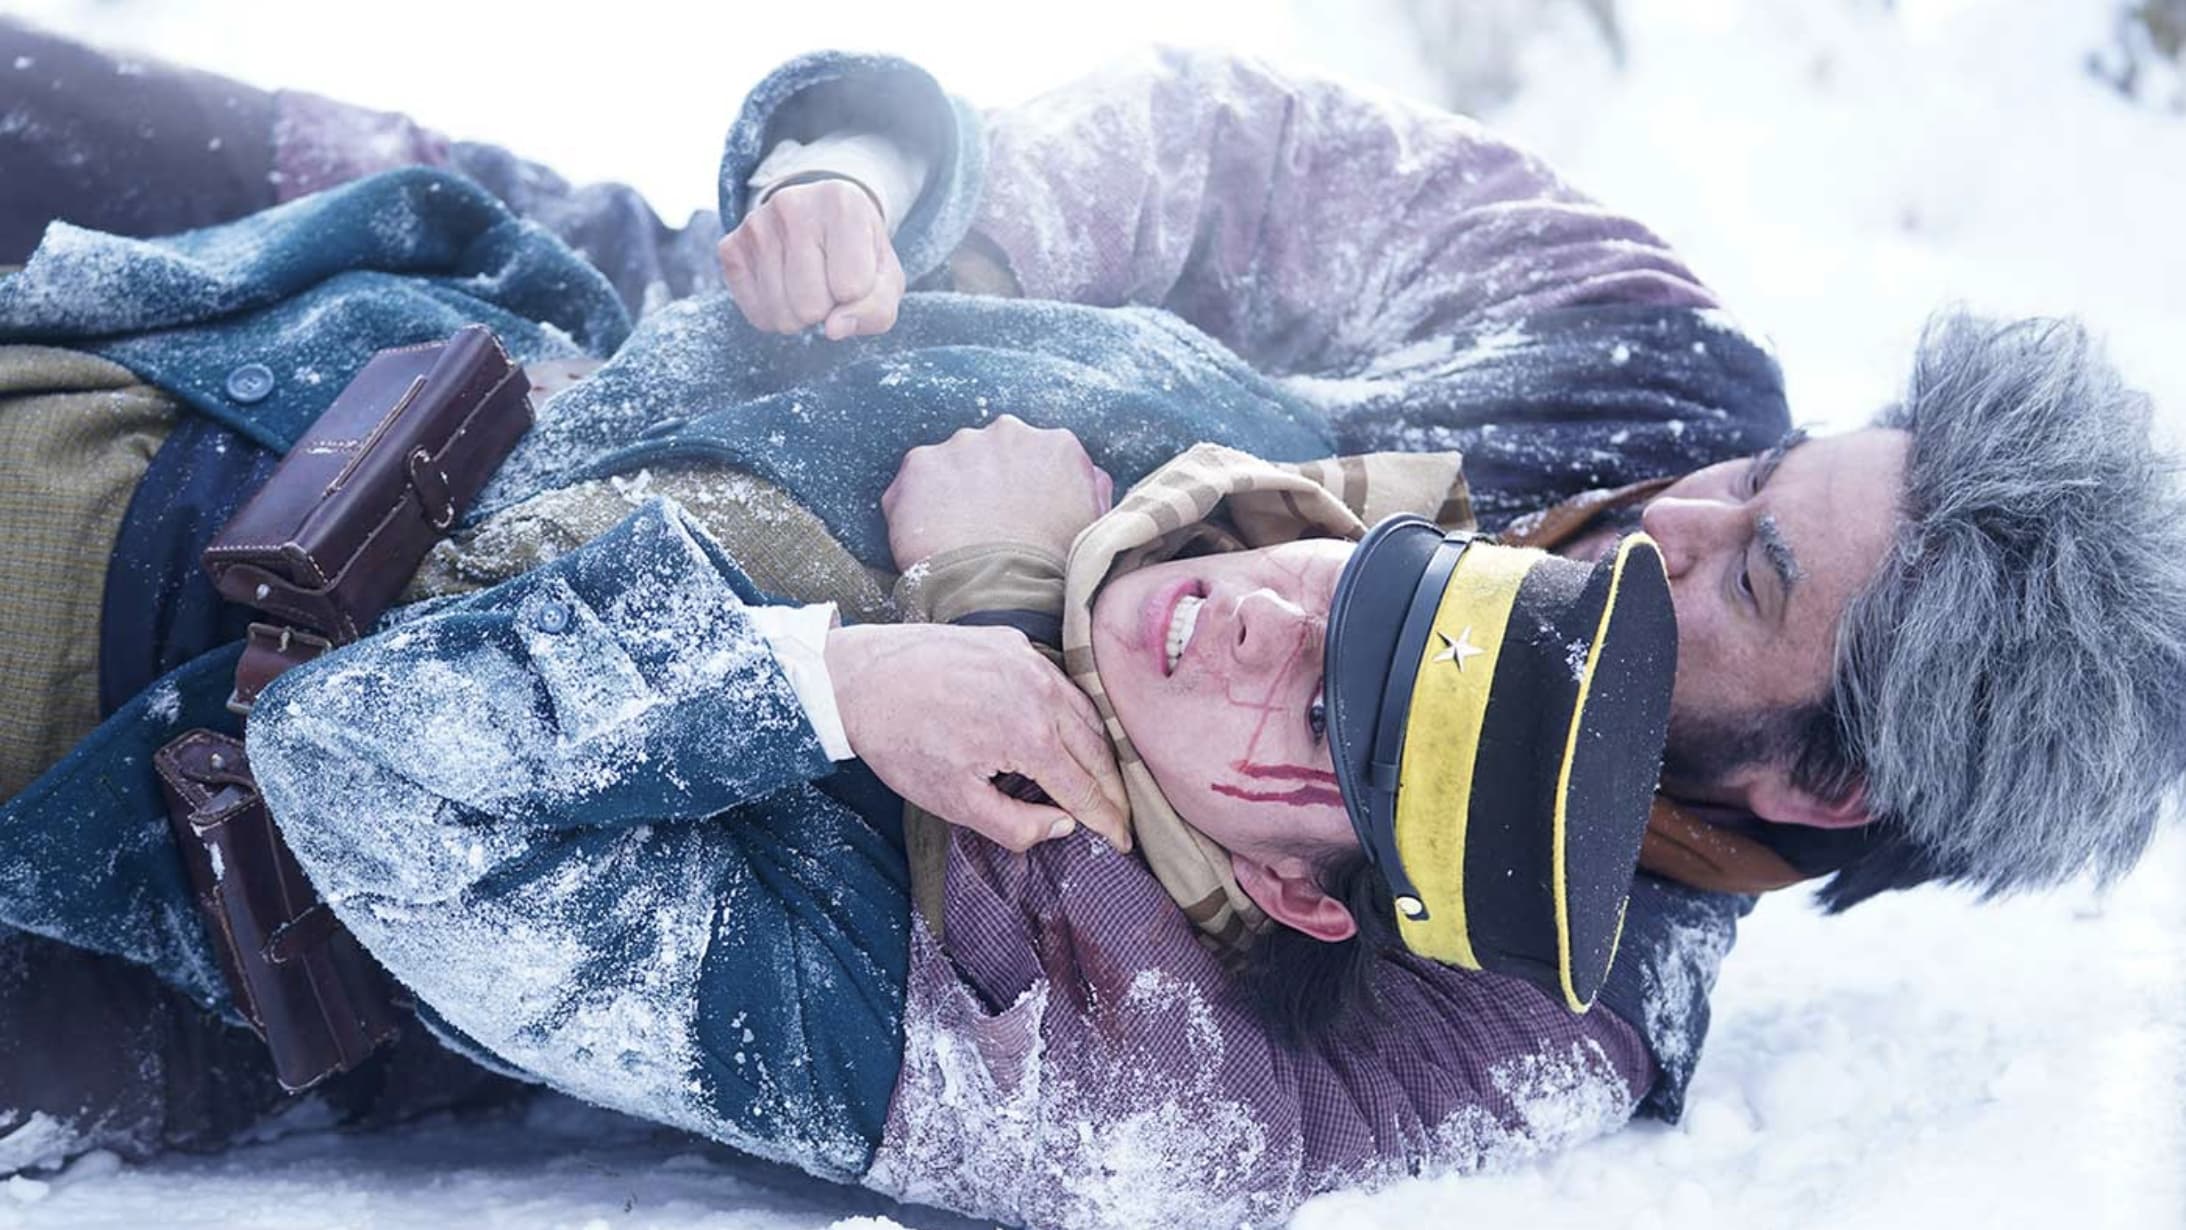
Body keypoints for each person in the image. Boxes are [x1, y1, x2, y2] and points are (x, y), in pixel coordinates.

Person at [1, 24, 2181, 1224]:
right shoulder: (1654, 381)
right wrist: (888, 232)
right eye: (1763, 473)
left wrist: (997, 602)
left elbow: (1151, 1120)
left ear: (1829, 781)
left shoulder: (1543, 995)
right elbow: (1237, 154)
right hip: (555, 341)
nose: (1670, 518)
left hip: (301, 795)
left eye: (1751, 573)